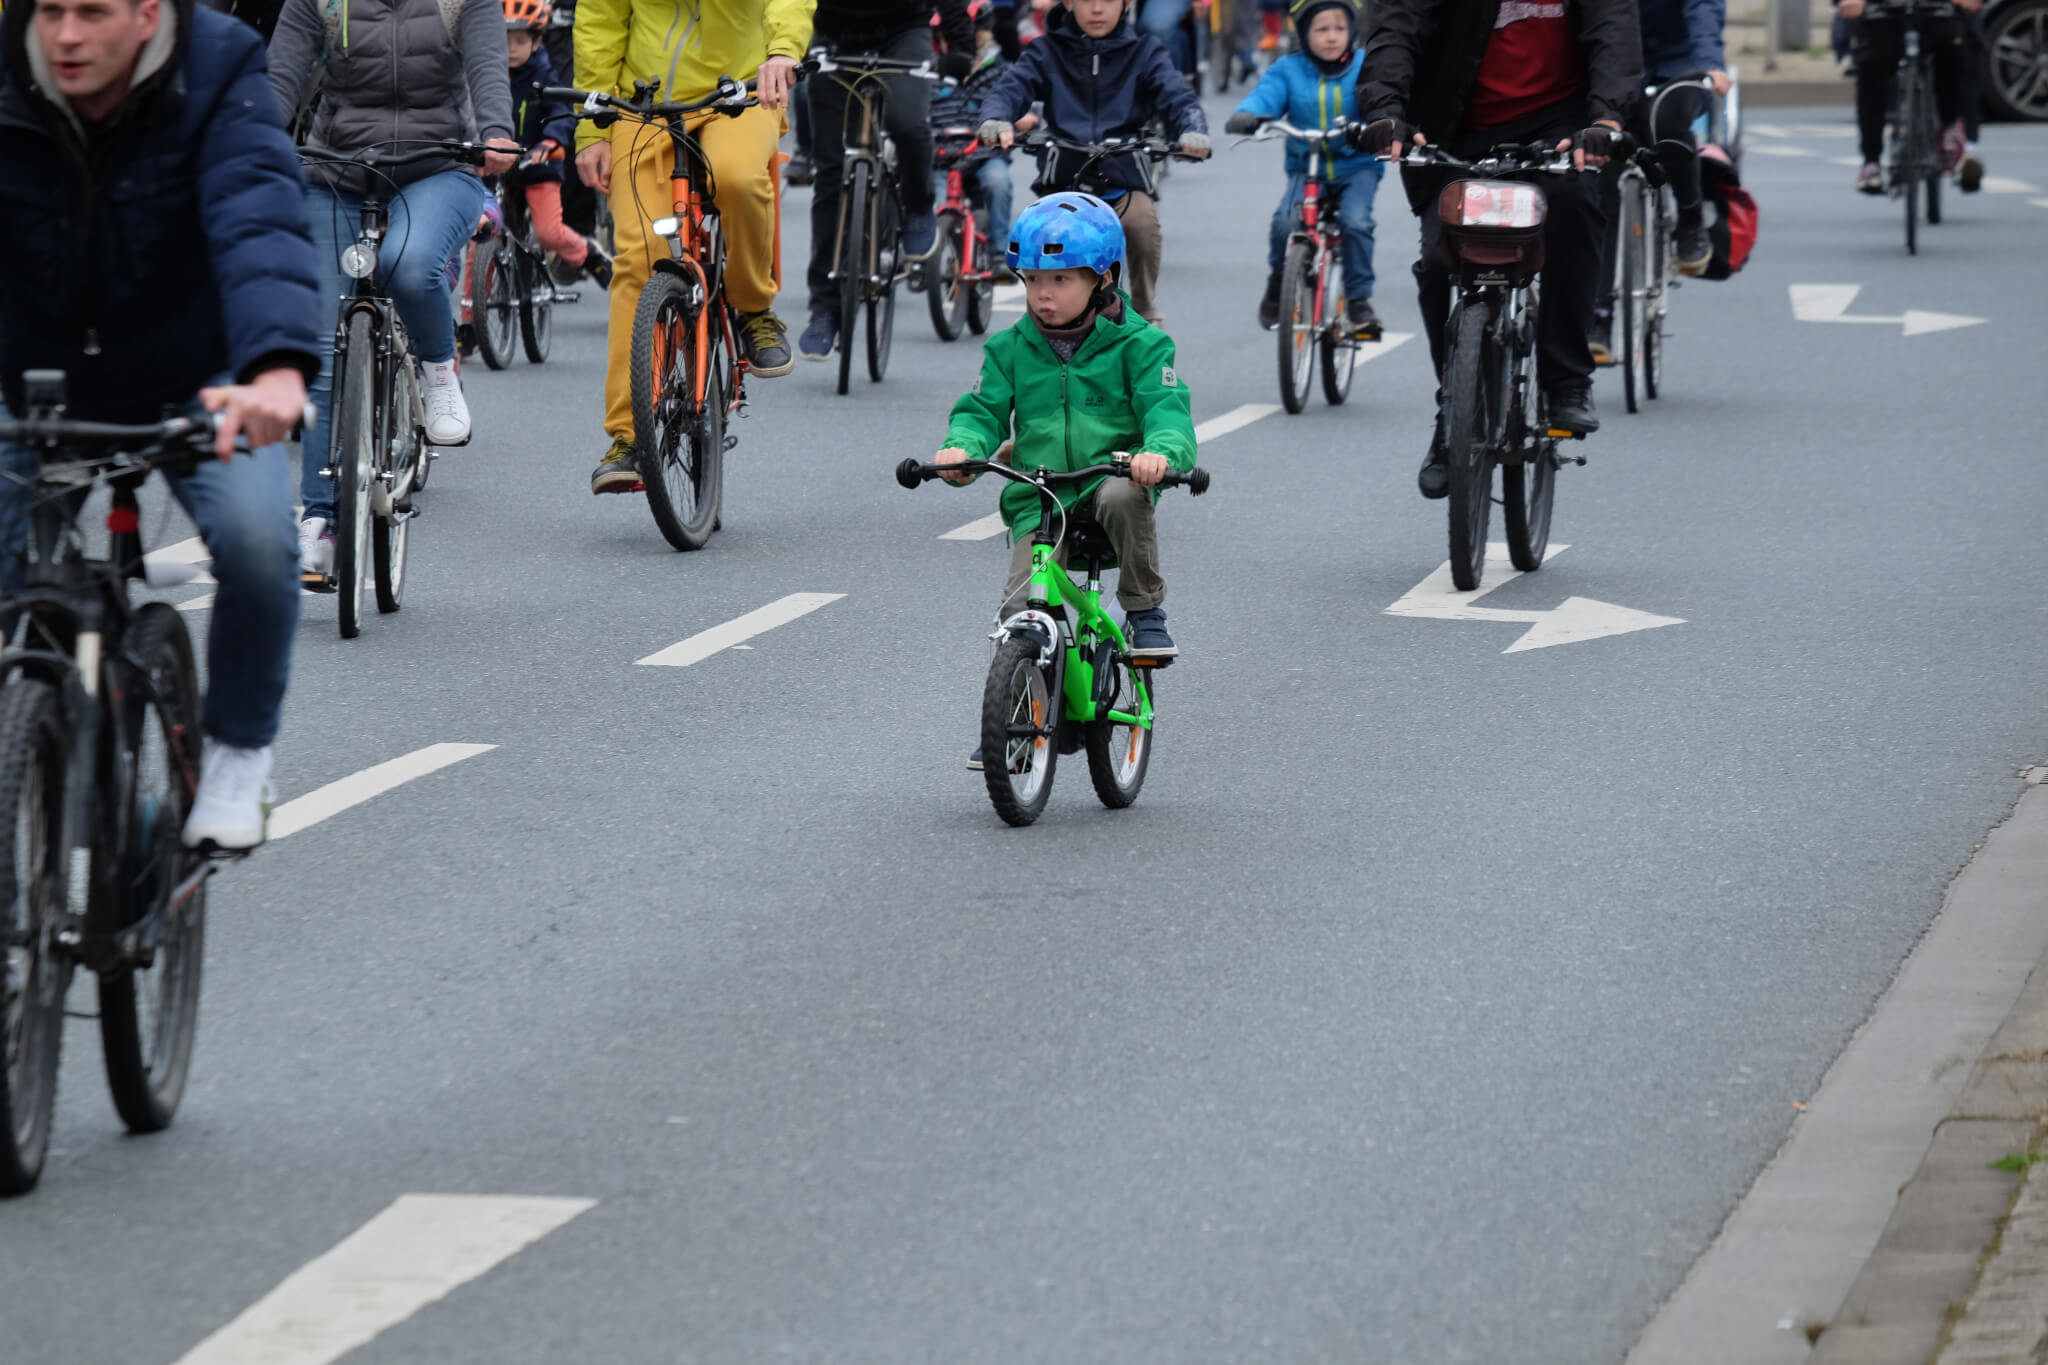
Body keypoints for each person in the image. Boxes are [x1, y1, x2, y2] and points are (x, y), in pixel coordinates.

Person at [0, 0, 322, 848]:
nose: (65, 35)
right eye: (50, 10)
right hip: (35, 378)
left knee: (258, 542)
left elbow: (256, 218)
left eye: (92, 12)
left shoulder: (216, 69)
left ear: (148, 15)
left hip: (200, 376)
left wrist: (277, 371)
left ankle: (239, 757)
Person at [933, 193, 1196, 769]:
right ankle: (1016, 720)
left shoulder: (1142, 346)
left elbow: (1168, 413)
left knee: (1127, 494)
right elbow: (981, 411)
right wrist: (962, 451)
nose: (1042, 296)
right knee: (1020, 613)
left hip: (1108, 478)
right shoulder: (1009, 348)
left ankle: (1145, 611)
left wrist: (1158, 454)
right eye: (1031, 281)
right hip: (1042, 494)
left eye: (1059, 280)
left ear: (1103, 279)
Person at [268, 0, 520, 579]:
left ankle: (438, 372)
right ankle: (321, 520)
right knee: (323, 344)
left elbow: (487, 67)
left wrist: (497, 132)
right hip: (335, 170)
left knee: (407, 265)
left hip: (439, 167)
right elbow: (281, 75)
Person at [1352, 0, 1642, 497]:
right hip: (1455, 124)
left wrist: (1607, 122)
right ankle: (1454, 412)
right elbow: (1396, 27)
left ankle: (1566, 380)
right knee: (1438, 259)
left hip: (1562, 127)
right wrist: (1385, 112)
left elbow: (1613, 30)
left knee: (1574, 209)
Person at [575, 0, 808, 493]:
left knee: (739, 180)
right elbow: (600, 20)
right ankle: (630, 438)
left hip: (740, 94)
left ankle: (753, 310)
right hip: (643, 106)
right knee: (638, 258)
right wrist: (590, 129)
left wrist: (783, 52)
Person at [973, 0, 1210, 324]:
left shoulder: (1145, 51)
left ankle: (1144, 313)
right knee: (1042, 245)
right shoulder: (1046, 50)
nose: (1097, 9)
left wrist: (1193, 129)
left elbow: (1177, 97)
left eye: (1109, 0)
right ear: (1069, 3)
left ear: (1126, 4)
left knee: (1141, 224)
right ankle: (1040, 328)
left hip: (1123, 179)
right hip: (1064, 184)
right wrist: (996, 118)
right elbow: (1010, 89)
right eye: (1086, 0)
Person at [795, 0, 975, 363]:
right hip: (834, 34)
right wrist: (784, 51)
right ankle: (825, 308)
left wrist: (960, 50)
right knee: (829, 174)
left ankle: (919, 206)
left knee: (907, 123)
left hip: (903, 31)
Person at [1223, 0, 1384, 338]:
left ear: (1352, 32)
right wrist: (1249, 114)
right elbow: (1265, 96)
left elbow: (1381, 99)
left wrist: (1382, 123)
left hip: (1356, 167)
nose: (1331, 37)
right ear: (1303, 34)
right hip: (1306, 169)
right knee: (1285, 222)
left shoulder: (1364, 67)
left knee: (1356, 222)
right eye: (1321, 29)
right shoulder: (1288, 69)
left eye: (1339, 29)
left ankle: (1358, 301)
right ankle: (1278, 281)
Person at [503, 0, 611, 286]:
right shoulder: (490, 75)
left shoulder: (543, 72)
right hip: (497, 165)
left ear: (537, 42)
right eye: (506, 42)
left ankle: (583, 248)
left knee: (549, 231)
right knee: (481, 235)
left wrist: (551, 141)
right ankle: (470, 316)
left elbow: (561, 111)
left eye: (520, 42)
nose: (511, 48)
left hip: (540, 167)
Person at [1838, 0, 1983, 194]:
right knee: (1871, 62)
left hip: (1940, 12)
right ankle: (1871, 161)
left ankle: (1952, 131)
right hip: (1883, 12)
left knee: (1957, 49)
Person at [929, 2, 1021, 271]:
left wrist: (1027, 118)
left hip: (984, 153)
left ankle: (997, 251)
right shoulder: (932, 72)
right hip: (942, 157)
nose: (948, 42)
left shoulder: (1000, 70)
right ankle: (930, 258)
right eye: (943, 36)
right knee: (934, 200)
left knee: (998, 183)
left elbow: (1022, 99)